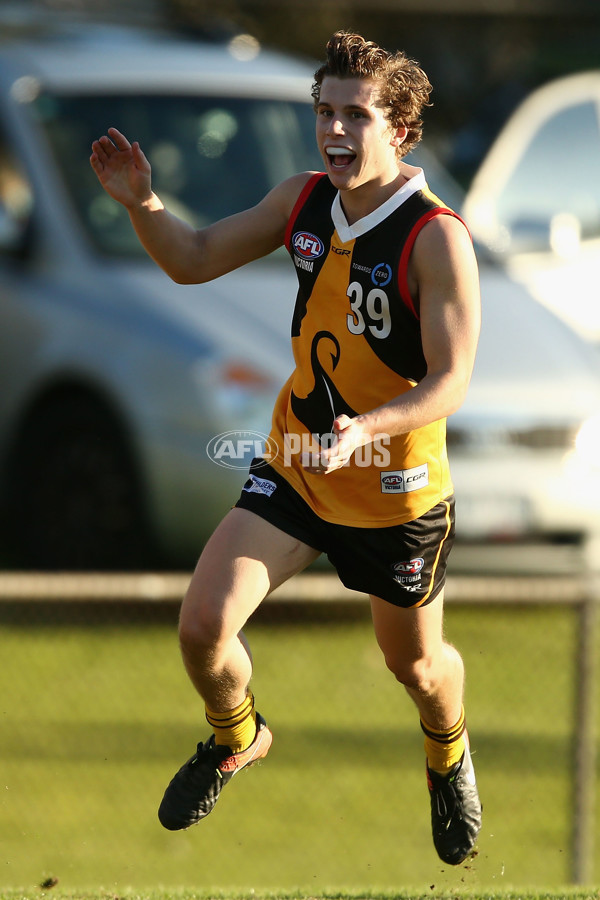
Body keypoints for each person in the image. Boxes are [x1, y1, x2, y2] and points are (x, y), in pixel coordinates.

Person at [90, 30, 482, 866]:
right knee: (202, 627)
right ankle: (238, 736)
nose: (335, 132)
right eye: (325, 113)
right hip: (300, 466)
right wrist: (142, 206)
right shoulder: (303, 202)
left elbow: (451, 381)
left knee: (414, 668)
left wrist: (368, 432)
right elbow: (194, 260)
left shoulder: (437, 238)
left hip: (393, 490)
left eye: (357, 116)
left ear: (401, 131)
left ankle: (447, 750)